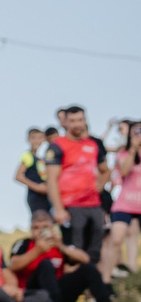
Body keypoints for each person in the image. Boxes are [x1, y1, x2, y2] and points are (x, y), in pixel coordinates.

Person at [10, 208, 122, 302]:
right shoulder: (24, 244)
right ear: (31, 229)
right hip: (32, 293)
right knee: (46, 265)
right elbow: (13, 266)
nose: (41, 231)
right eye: (36, 228)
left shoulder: (59, 245)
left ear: (52, 227)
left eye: (45, 227)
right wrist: (37, 251)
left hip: (58, 293)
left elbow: (85, 259)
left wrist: (61, 247)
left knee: (88, 269)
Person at [47, 107, 112, 269]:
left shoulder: (92, 145)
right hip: (71, 206)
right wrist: (59, 209)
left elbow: (105, 170)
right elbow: (51, 180)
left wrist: (100, 185)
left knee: (95, 250)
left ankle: (94, 288)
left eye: (80, 120)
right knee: (73, 252)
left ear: (85, 121)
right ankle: (73, 291)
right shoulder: (57, 145)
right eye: (73, 120)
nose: (77, 124)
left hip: (94, 205)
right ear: (66, 122)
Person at [108, 120, 141, 282]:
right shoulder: (124, 153)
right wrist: (134, 149)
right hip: (124, 203)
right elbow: (125, 170)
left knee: (133, 237)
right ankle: (109, 270)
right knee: (116, 237)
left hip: (139, 205)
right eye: (136, 132)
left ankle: (132, 271)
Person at [15, 127, 55, 225]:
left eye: (39, 138)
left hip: (47, 196)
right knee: (40, 220)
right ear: (28, 139)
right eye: (34, 138)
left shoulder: (43, 157)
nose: (37, 141)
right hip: (35, 196)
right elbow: (18, 176)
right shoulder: (27, 156)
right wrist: (37, 187)